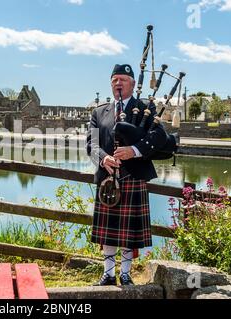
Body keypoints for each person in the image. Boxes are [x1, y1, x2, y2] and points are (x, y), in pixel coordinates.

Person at [86, 64, 167, 286]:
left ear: (132, 83)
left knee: (129, 233)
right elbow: (91, 144)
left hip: (133, 177)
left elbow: (160, 136)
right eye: (114, 80)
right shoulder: (98, 112)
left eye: (123, 79)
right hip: (108, 179)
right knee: (109, 232)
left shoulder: (145, 109)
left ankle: (125, 273)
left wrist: (134, 151)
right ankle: (109, 274)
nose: (118, 83)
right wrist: (103, 158)